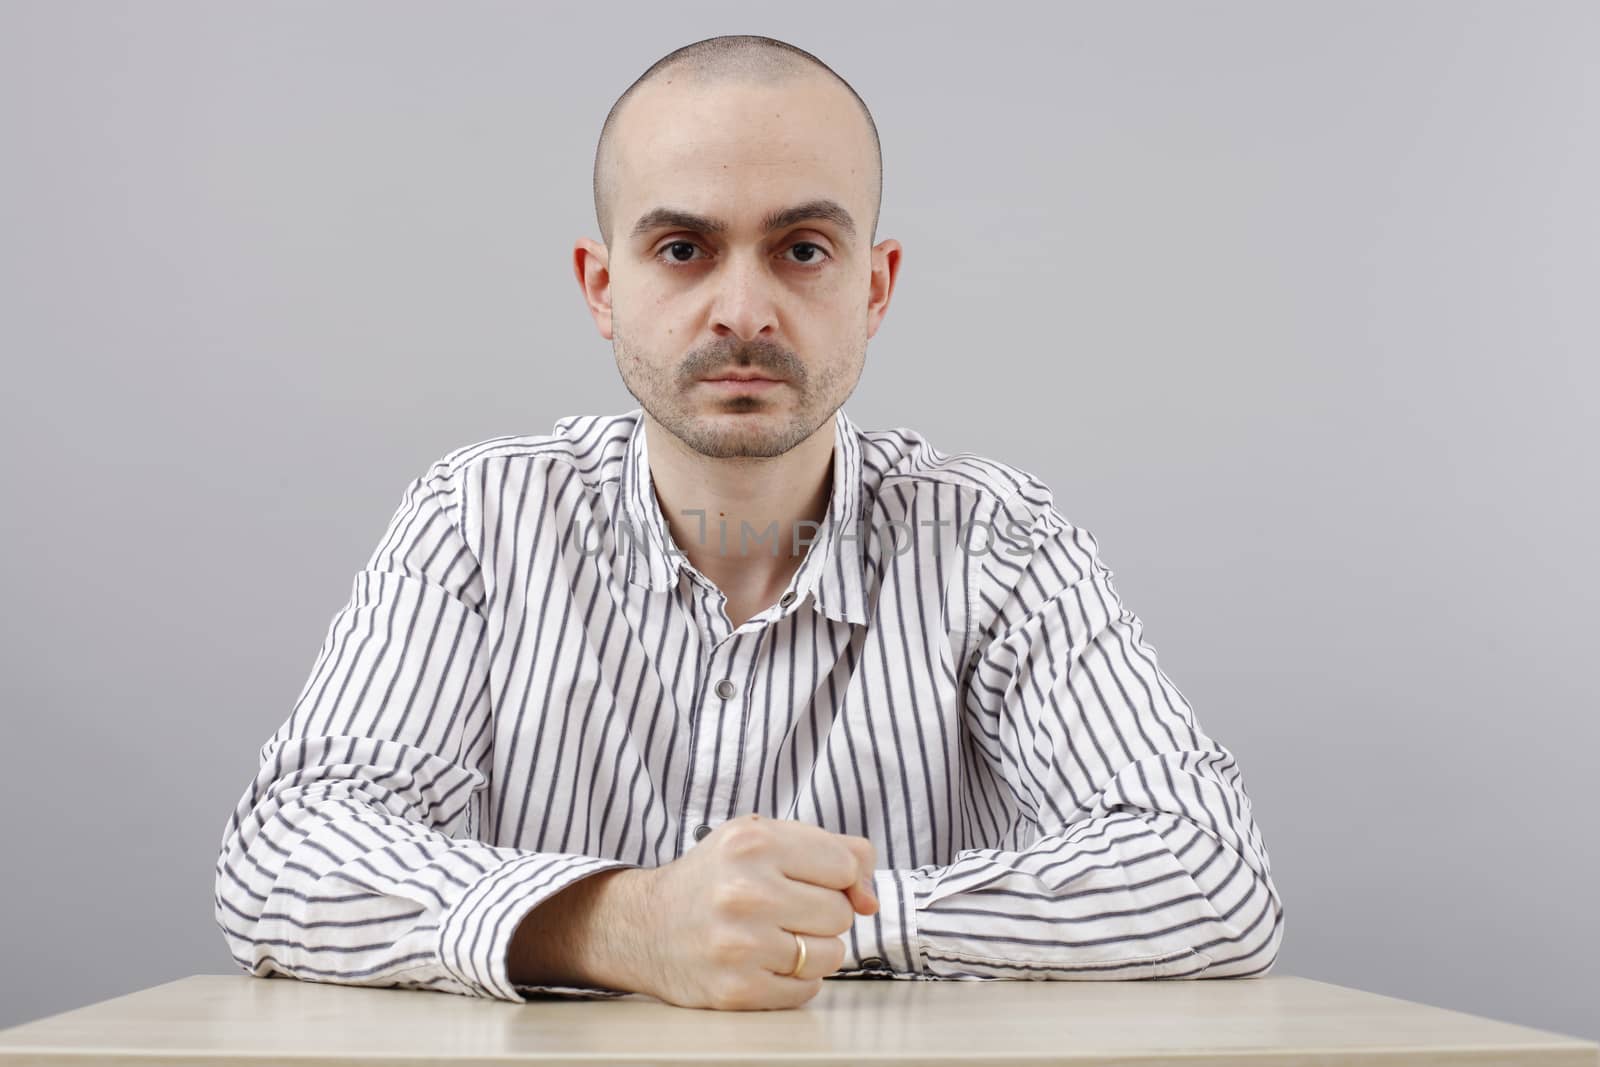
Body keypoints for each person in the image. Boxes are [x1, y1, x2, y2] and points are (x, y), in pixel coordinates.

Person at [213, 33, 1284, 1013]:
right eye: (682, 248)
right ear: (602, 288)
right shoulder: (479, 516)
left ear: (874, 287)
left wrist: (812, 923)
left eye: (802, 249)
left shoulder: (993, 537)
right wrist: (625, 921)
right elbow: (284, 849)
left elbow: (1208, 872)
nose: (741, 311)